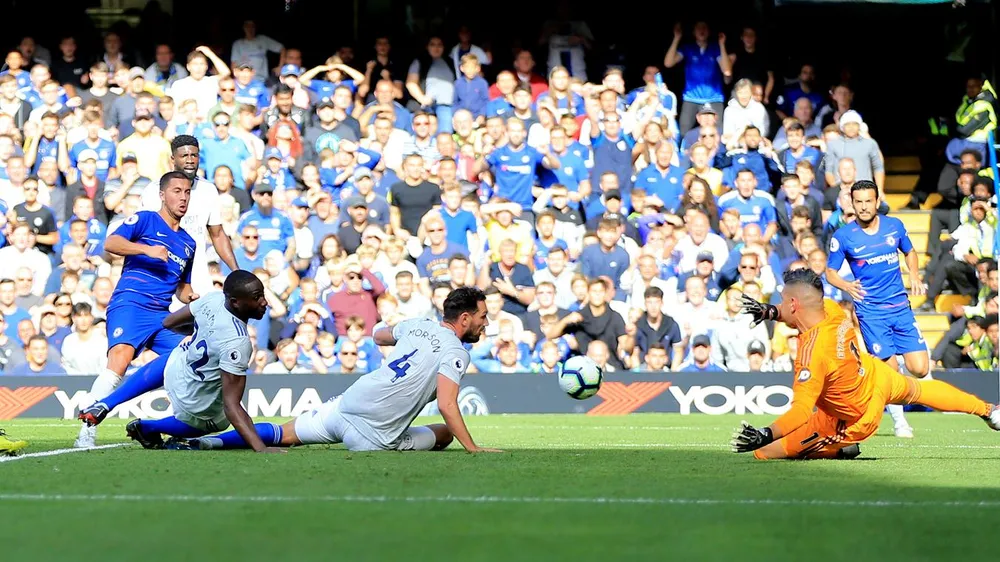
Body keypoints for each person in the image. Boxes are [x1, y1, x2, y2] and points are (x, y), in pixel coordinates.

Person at [182, 287, 502, 453]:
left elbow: (378, 335)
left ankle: (213, 443)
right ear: (464, 320)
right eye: (482, 317)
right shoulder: (456, 351)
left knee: (284, 433)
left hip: (348, 404)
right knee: (443, 434)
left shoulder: (418, 324)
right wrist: (473, 448)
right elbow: (447, 404)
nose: (485, 323)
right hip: (374, 438)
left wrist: (406, 338)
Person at [733, 269, 1000, 460]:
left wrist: (767, 434)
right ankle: (989, 410)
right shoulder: (832, 310)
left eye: (782, 301)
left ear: (793, 303)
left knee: (764, 453)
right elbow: (800, 310)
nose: (779, 305)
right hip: (875, 376)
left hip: (853, 417)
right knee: (918, 390)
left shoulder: (812, 354)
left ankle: (837, 448)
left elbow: (801, 411)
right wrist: (770, 311)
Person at [78, 271, 275, 452]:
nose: (264, 302)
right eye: (256, 297)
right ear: (235, 302)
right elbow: (232, 406)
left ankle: (106, 403)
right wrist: (261, 448)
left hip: (178, 368)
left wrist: (201, 331)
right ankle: (149, 427)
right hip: (196, 397)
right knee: (219, 422)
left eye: (262, 295)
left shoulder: (213, 298)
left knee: (177, 353)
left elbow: (169, 323)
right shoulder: (238, 342)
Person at [74, 171, 198, 448]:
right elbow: (111, 243)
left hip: (162, 316)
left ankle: (174, 430)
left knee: (188, 361)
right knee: (119, 361)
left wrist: (193, 297)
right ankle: (87, 428)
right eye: (177, 191)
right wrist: (146, 249)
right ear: (162, 195)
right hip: (131, 303)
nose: (183, 197)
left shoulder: (189, 242)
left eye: (187, 192)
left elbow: (181, 285)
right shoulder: (145, 219)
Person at [825, 180, 928, 438]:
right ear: (852, 203)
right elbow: (830, 273)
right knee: (890, 370)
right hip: (871, 312)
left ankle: (880, 376)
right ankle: (900, 423)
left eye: (867, 201)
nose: (863, 206)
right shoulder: (843, 237)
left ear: (877, 200)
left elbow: (910, 251)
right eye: (857, 201)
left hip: (900, 307)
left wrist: (914, 274)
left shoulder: (894, 226)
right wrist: (847, 286)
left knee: (921, 368)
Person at [140, 135, 239, 295]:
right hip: (163, 279)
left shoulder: (208, 190)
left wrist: (236, 271)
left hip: (198, 279)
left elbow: (218, 234)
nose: (190, 160)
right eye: (184, 156)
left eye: (194, 155)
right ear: (173, 159)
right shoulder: (153, 191)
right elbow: (145, 236)